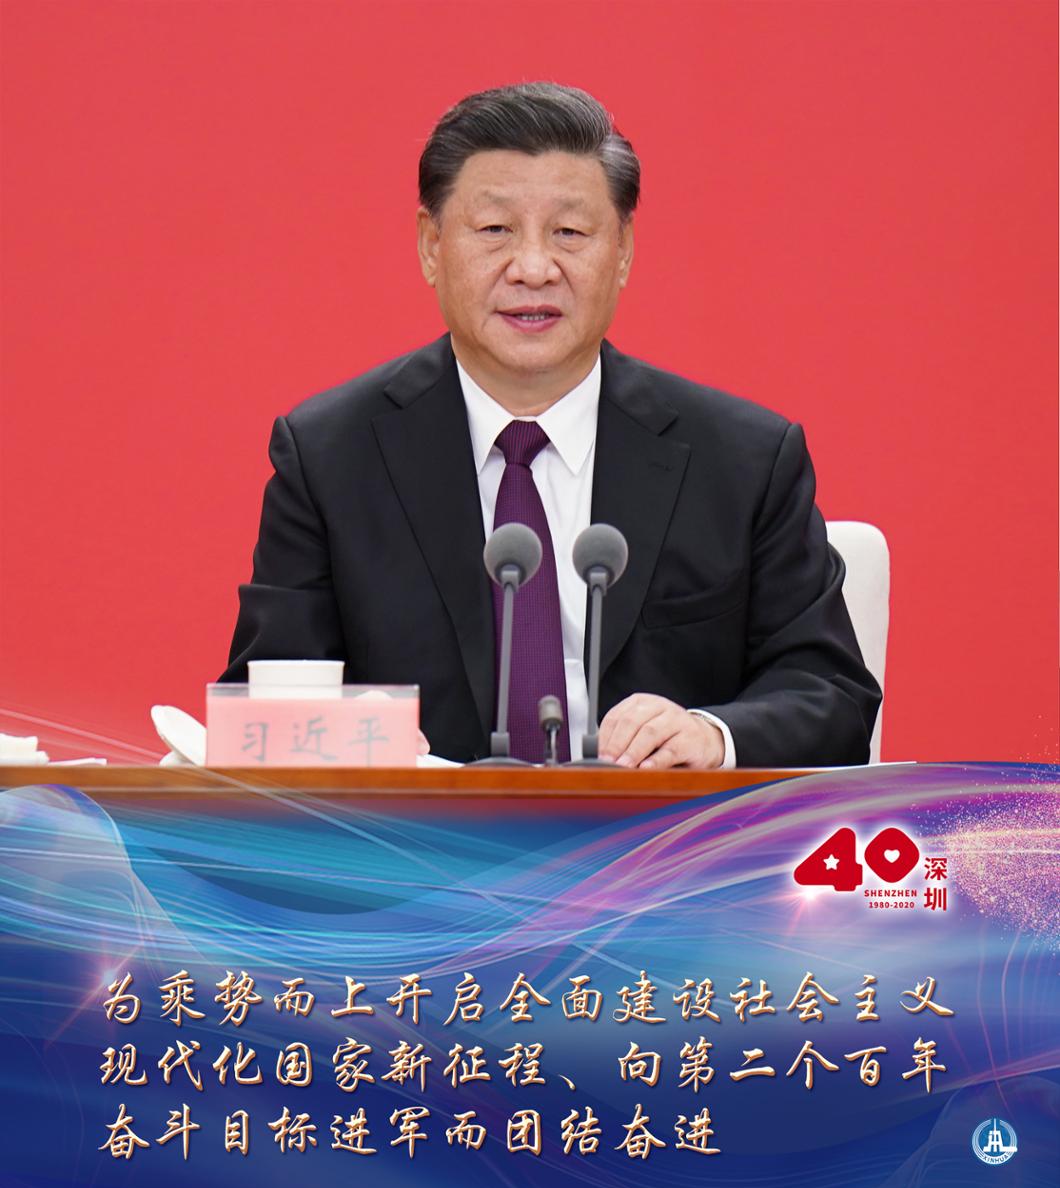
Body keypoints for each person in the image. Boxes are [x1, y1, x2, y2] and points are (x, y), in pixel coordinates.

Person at [223, 82, 881, 767]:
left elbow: (832, 696)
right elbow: (264, 707)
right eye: (495, 231)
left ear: (622, 251)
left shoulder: (743, 461)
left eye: (569, 233)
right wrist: (362, 747)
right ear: (431, 246)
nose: (534, 269)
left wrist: (712, 736)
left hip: (665, 834)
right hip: (417, 834)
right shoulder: (330, 457)